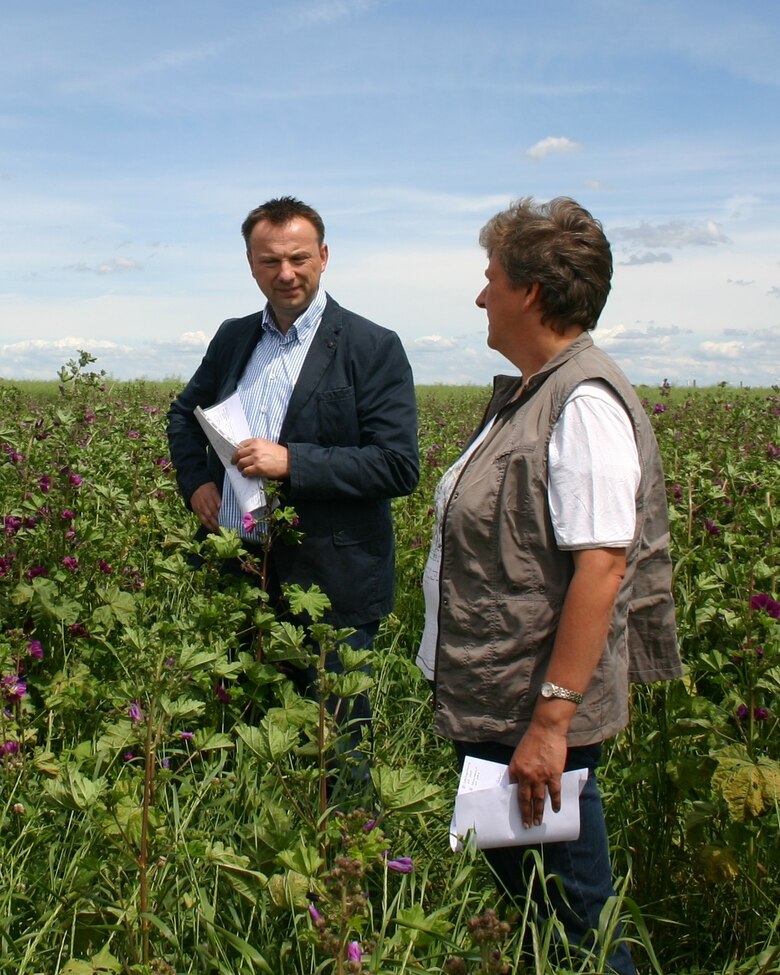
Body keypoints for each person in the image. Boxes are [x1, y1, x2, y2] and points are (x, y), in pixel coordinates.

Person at [415, 197, 681, 974]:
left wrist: (551, 724)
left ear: (529, 291)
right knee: (540, 914)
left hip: (533, 716)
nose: (480, 295)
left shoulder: (584, 402)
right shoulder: (539, 390)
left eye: (489, 277)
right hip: (506, 701)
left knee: (574, 925)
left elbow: (602, 566)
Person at [168, 195, 419, 762]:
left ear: (324, 257)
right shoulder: (235, 337)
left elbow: (398, 464)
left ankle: (346, 849)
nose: (286, 274)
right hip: (243, 566)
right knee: (246, 732)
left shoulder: (371, 346)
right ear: (251, 264)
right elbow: (185, 415)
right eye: (269, 261)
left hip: (333, 581)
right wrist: (196, 485)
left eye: (299, 258)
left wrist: (293, 462)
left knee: (336, 748)